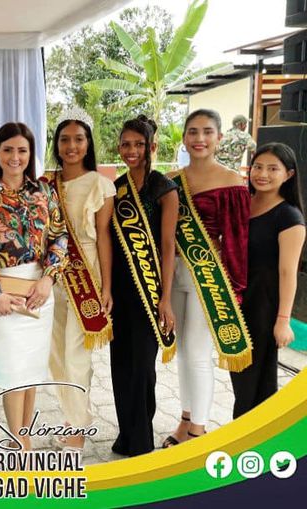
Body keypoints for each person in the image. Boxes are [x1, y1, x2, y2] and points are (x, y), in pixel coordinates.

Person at [0, 122, 68, 450]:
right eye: (8, 149)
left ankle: (22, 438)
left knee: (30, 371)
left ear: (31, 154)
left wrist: (48, 279)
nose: (15, 157)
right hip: (4, 293)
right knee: (13, 371)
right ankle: (20, 443)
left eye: (22, 150)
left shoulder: (44, 191)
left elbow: (59, 236)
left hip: (39, 290)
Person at [163, 109, 251, 447]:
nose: (199, 139)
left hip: (208, 278)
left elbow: (237, 241)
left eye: (207, 132)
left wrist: (235, 290)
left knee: (198, 353)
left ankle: (198, 431)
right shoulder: (170, 179)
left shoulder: (232, 182)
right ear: (184, 138)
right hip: (173, 273)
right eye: (193, 132)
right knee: (182, 353)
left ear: (219, 138)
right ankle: (185, 420)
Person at [43, 107, 114, 453]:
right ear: (56, 144)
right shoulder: (45, 183)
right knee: (55, 354)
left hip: (85, 275)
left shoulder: (100, 184)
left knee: (76, 356)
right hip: (51, 275)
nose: (72, 146)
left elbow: (104, 237)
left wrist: (107, 287)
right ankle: (72, 421)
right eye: (65, 139)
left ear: (88, 144)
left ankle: (79, 431)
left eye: (79, 139)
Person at [111, 115, 179, 456]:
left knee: (142, 369)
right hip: (120, 289)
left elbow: (168, 246)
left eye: (139, 144)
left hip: (149, 290)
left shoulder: (164, 188)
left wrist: (166, 298)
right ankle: (126, 434)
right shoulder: (117, 186)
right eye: (126, 144)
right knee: (120, 364)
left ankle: (140, 440)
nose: (132, 150)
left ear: (152, 147)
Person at [230, 143, 305, 418]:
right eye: (258, 167)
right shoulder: (244, 204)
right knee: (240, 378)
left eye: (273, 169)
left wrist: (283, 320)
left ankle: (251, 436)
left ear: (289, 174)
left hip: (264, 307)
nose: (263, 174)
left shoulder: (289, 217)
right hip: (238, 303)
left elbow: (288, 273)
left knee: (256, 385)